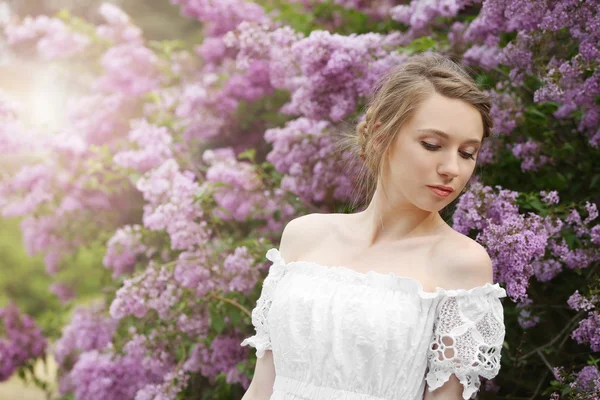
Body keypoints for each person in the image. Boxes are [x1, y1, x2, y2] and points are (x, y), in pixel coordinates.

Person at [240, 51, 507, 400]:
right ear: (381, 135)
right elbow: (262, 387)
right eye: (432, 145)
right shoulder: (303, 236)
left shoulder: (462, 264)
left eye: (467, 153)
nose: (452, 169)